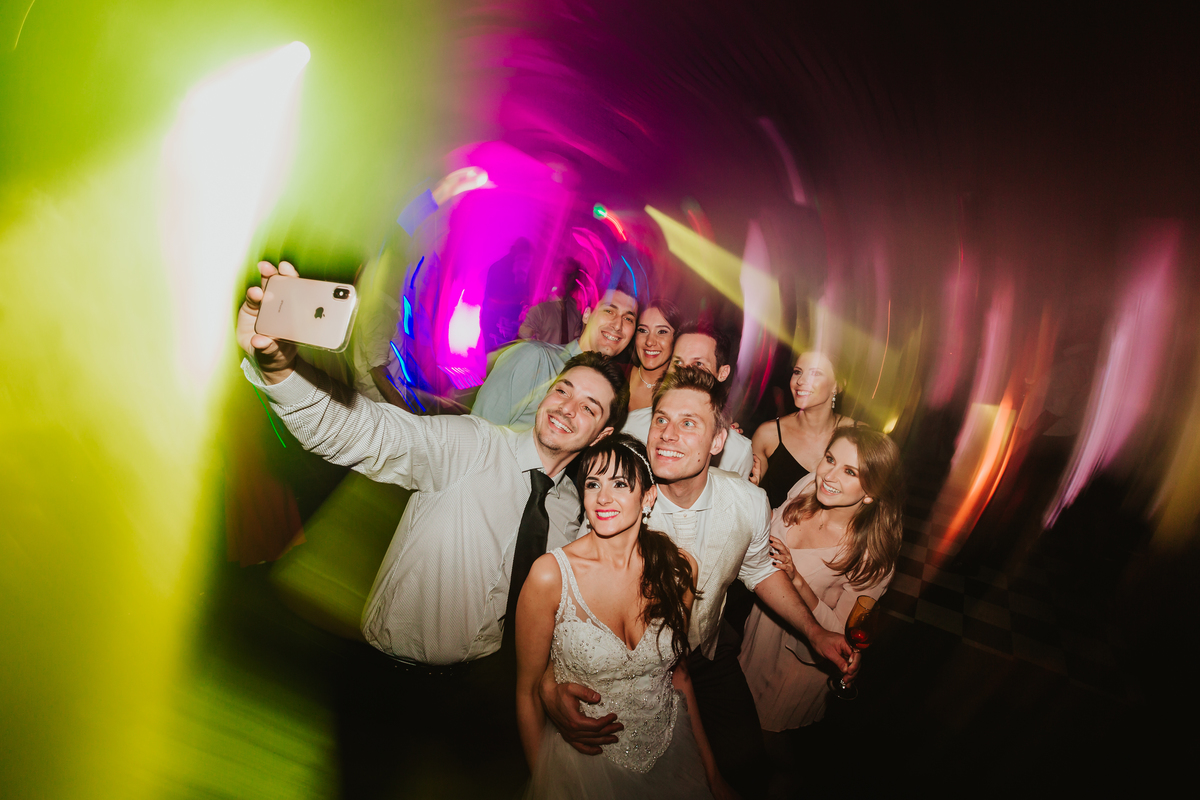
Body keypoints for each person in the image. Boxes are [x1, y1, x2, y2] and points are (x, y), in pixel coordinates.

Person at [236, 260, 629, 796]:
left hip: (475, 693)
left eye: (589, 407)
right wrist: (281, 370)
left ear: (601, 433)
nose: (566, 409)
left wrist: (551, 684)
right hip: (386, 682)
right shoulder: (472, 445)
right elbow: (364, 432)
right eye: (563, 391)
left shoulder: (570, 512)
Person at [542, 367, 855, 799]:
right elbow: (572, 598)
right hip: (632, 665)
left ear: (718, 441)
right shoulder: (619, 503)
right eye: (662, 419)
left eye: (689, 423)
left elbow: (759, 569)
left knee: (746, 763)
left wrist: (815, 631)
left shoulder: (749, 502)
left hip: (704, 652)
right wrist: (547, 681)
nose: (667, 434)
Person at [515, 434, 733, 799]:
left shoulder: (679, 570)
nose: (603, 497)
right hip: (582, 769)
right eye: (593, 484)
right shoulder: (550, 575)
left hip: (670, 754)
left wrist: (713, 776)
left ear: (647, 498)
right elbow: (527, 693)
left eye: (619, 484)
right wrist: (543, 783)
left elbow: (679, 676)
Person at [739, 426, 903, 733]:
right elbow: (770, 526)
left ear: (871, 492)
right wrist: (751, 492)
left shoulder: (871, 556)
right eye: (830, 459)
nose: (829, 475)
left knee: (765, 738)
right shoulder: (809, 486)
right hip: (758, 634)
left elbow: (842, 634)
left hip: (795, 664)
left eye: (850, 471)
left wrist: (797, 580)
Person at [473, 278, 638, 430]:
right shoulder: (535, 358)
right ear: (587, 315)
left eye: (628, 319)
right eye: (609, 311)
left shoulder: (609, 392)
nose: (618, 325)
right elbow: (480, 431)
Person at [623, 321, 754, 479]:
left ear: (722, 373)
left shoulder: (738, 452)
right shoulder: (630, 426)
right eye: (677, 362)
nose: (684, 371)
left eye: (698, 364)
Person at [751, 350, 861, 510]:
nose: (800, 381)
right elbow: (745, 495)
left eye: (815, 373)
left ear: (837, 386)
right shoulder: (768, 434)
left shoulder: (859, 435)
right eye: (797, 372)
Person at [627, 298, 682, 411]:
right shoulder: (615, 372)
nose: (649, 342)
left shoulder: (680, 393)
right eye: (643, 330)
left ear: (676, 338)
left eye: (662, 332)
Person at [481, 237, 534, 352]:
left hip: (509, 327)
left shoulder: (523, 271)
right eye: (522, 256)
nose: (524, 260)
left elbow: (525, 296)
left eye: (527, 258)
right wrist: (518, 301)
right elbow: (492, 301)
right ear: (513, 251)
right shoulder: (499, 269)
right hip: (495, 326)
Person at [519, 258, 586, 345]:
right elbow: (522, 338)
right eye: (564, 273)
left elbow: (576, 340)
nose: (569, 278)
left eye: (573, 274)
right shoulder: (540, 306)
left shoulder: (575, 307)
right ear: (554, 275)